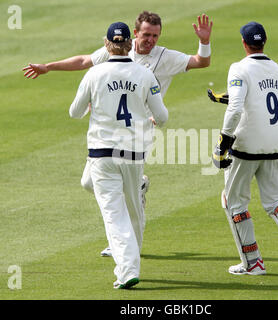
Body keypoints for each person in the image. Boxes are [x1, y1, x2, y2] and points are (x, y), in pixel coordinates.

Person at [23, 11, 213, 257]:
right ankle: (137, 193)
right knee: (89, 182)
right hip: (110, 132)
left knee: (121, 195)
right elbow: (84, 62)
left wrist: (204, 42)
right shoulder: (119, 48)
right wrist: (47, 67)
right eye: (146, 34)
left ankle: (123, 248)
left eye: (155, 35)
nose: (151, 40)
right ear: (136, 33)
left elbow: (201, 62)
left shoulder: (165, 57)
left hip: (138, 134)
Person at [210, 21, 278, 275]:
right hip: (273, 145)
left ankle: (254, 262)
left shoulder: (239, 68)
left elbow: (236, 108)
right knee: (276, 200)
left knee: (233, 202)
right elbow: (260, 99)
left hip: (246, 147)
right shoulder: (277, 69)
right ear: (263, 42)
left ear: (244, 43)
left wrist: (222, 143)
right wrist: (224, 97)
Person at [69, 21, 168, 289]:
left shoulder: (94, 74)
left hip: (102, 154)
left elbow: (75, 112)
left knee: (115, 214)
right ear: (129, 44)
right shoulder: (145, 74)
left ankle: (126, 271)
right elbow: (162, 116)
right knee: (133, 210)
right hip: (134, 153)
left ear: (106, 44)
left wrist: (93, 103)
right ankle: (129, 266)